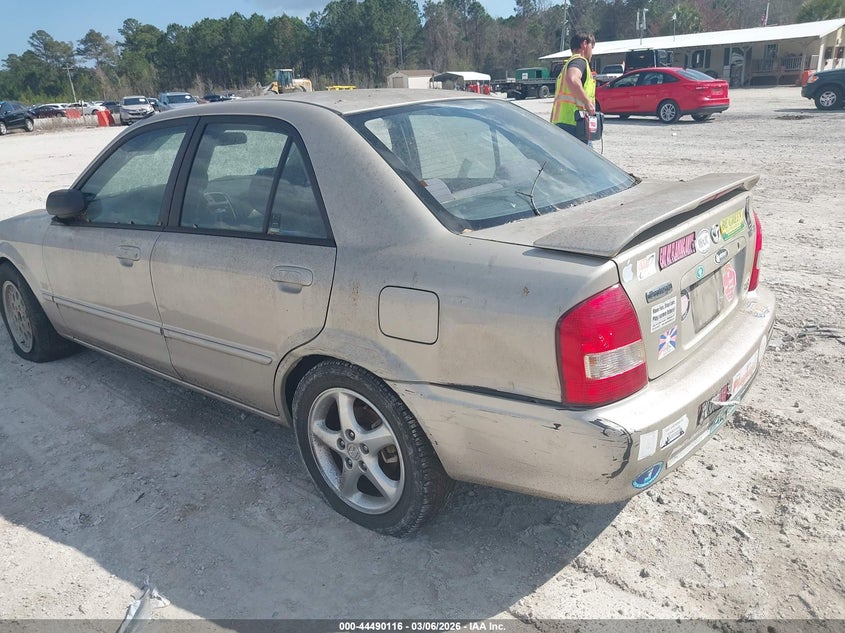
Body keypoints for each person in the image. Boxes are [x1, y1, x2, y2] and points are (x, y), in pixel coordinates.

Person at [550, 32, 597, 143]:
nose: (592, 52)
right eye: (592, 47)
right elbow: (573, 79)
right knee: (587, 159)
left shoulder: (567, 65)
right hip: (575, 124)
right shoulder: (579, 61)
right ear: (585, 44)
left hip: (563, 122)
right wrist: (588, 103)